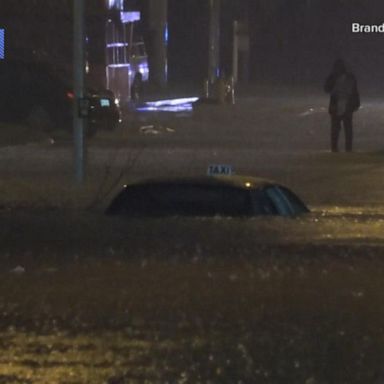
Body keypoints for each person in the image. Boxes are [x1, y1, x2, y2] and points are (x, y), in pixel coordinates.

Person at [324, 59, 360, 152]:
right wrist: (356, 103)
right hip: (343, 106)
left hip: (340, 106)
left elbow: (327, 89)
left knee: (338, 129)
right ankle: (345, 149)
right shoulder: (349, 77)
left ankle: (337, 148)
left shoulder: (335, 77)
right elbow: (355, 92)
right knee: (345, 129)